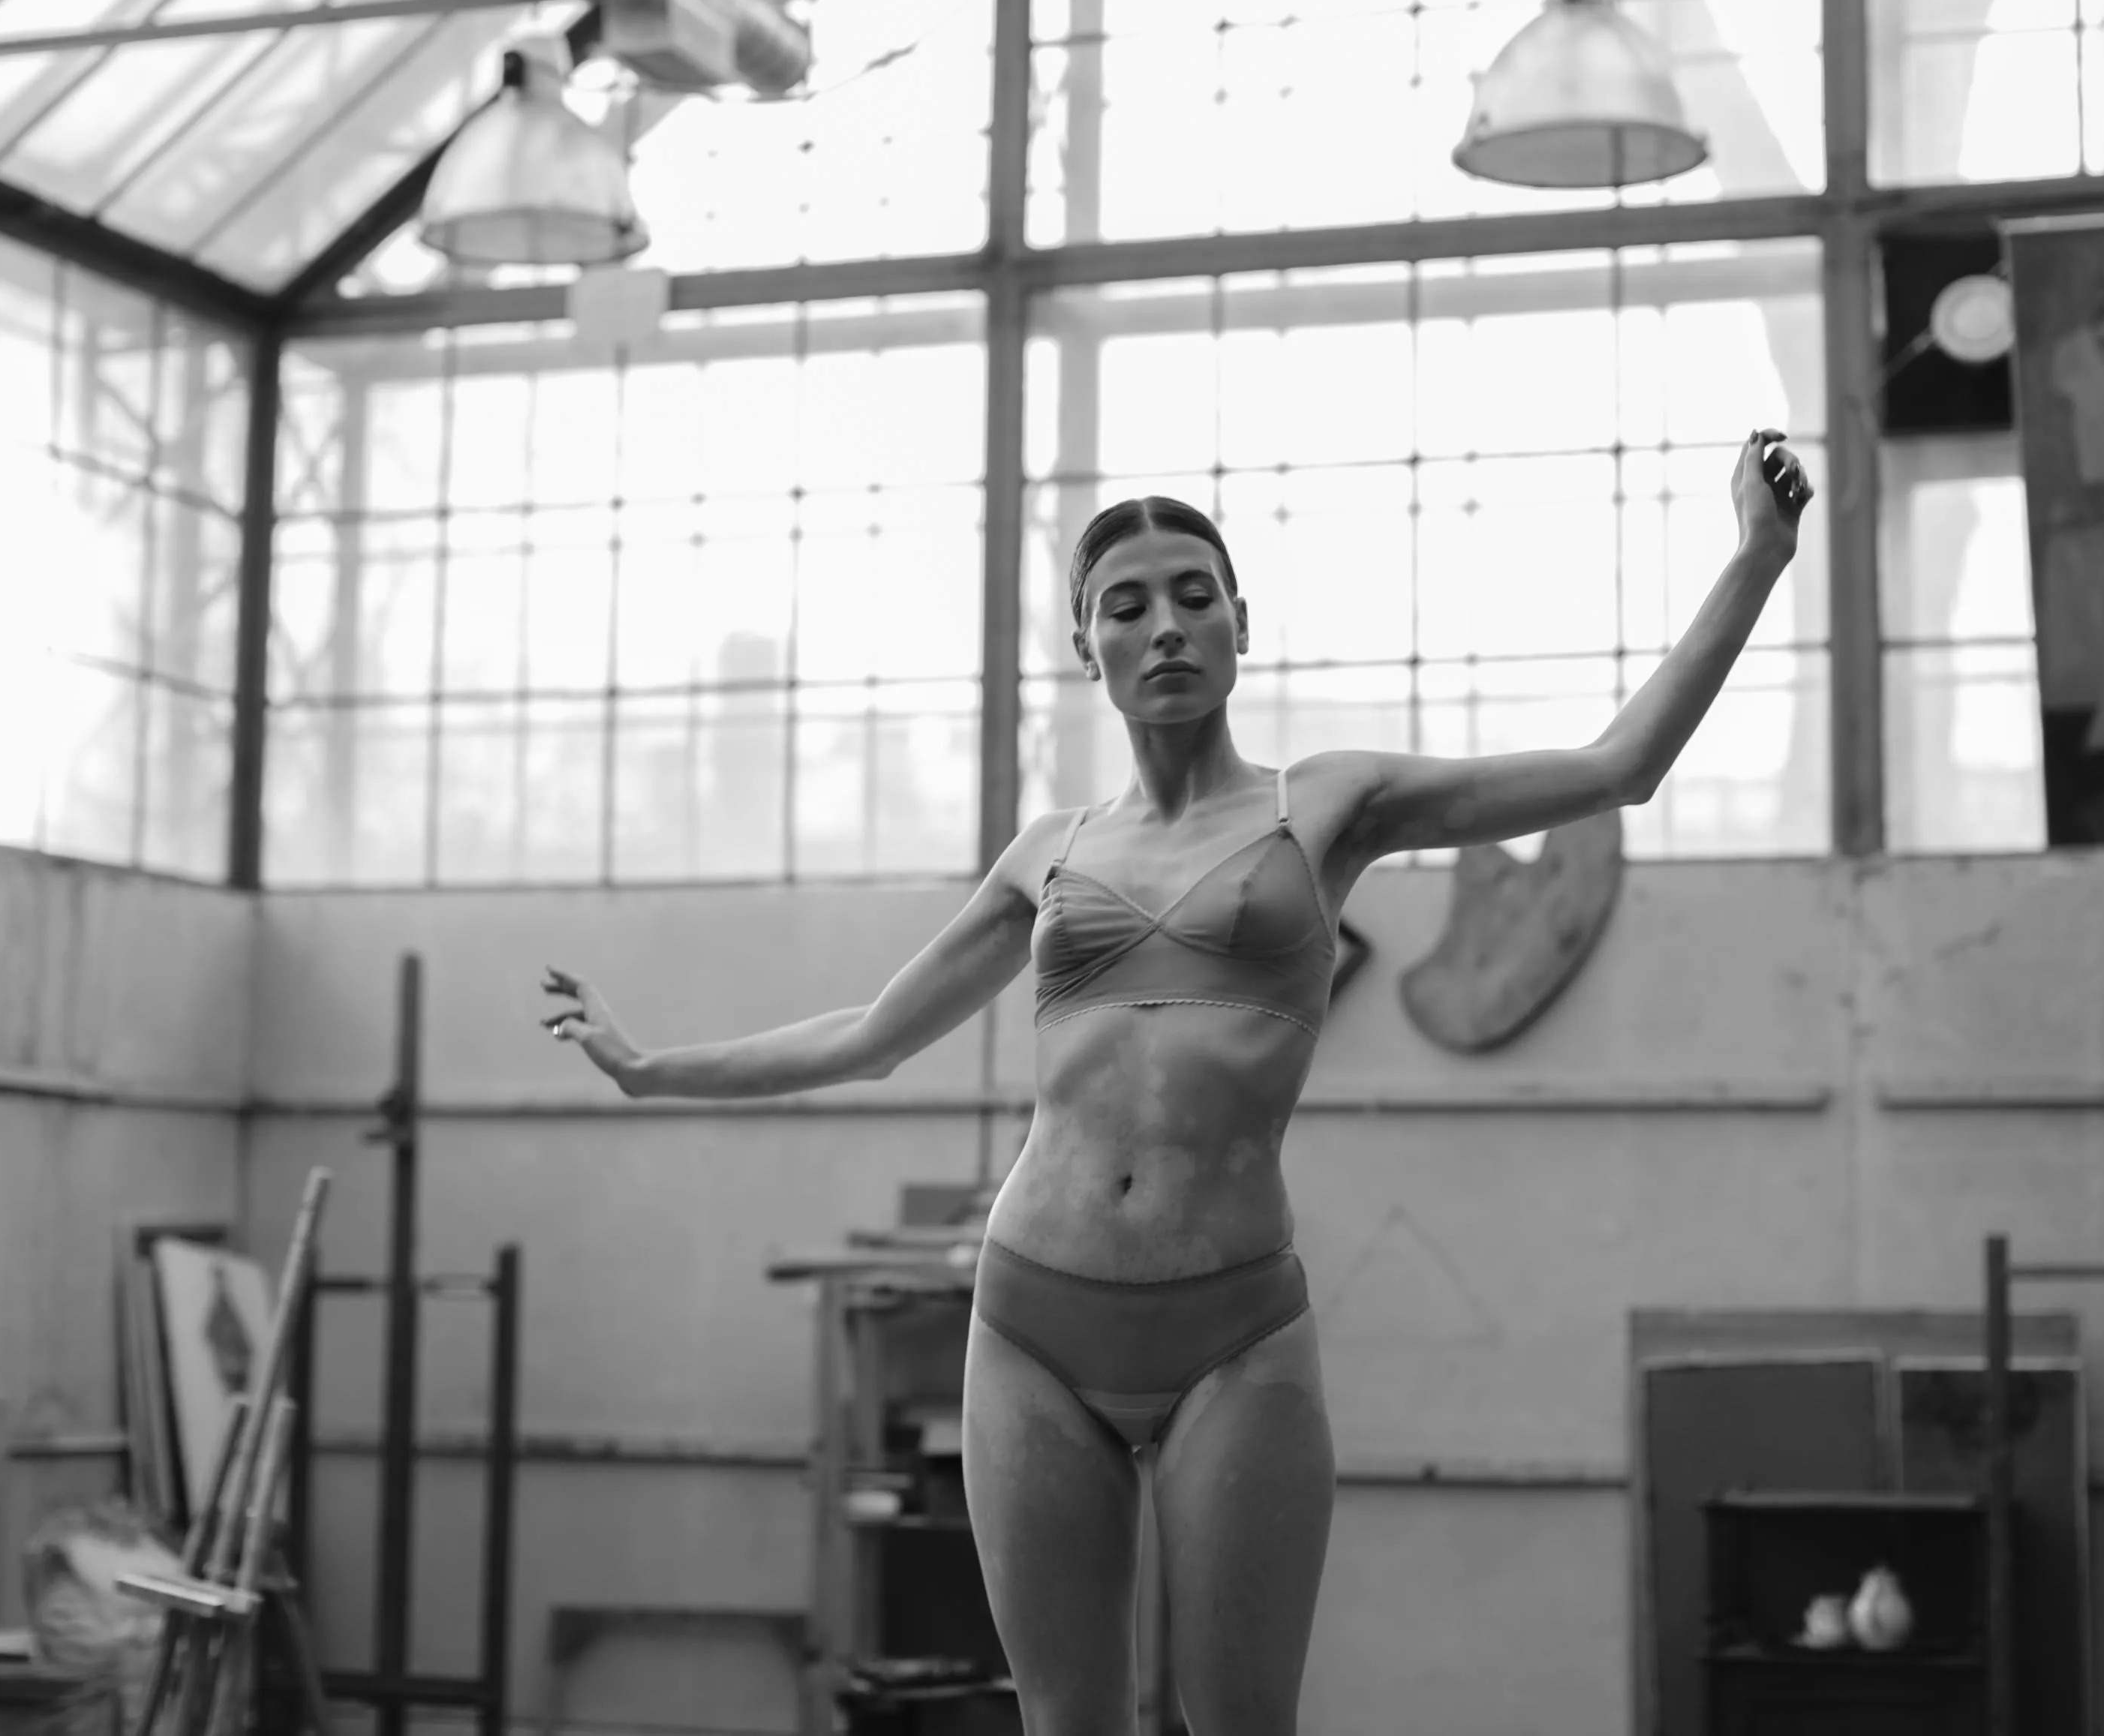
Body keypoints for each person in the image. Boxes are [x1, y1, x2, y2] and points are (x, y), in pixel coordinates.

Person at [538, 431, 1813, 1736]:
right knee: (1067, 1720)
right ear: (1084, 646)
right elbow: (870, 1036)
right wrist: (646, 1069)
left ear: (1240, 625)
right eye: (1126, 605)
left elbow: (1617, 767)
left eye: (1195, 596)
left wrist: (1757, 559)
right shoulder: (1049, 851)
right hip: (1031, 1321)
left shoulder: (1328, 805)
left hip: (1233, 1330)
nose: (1164, 626)